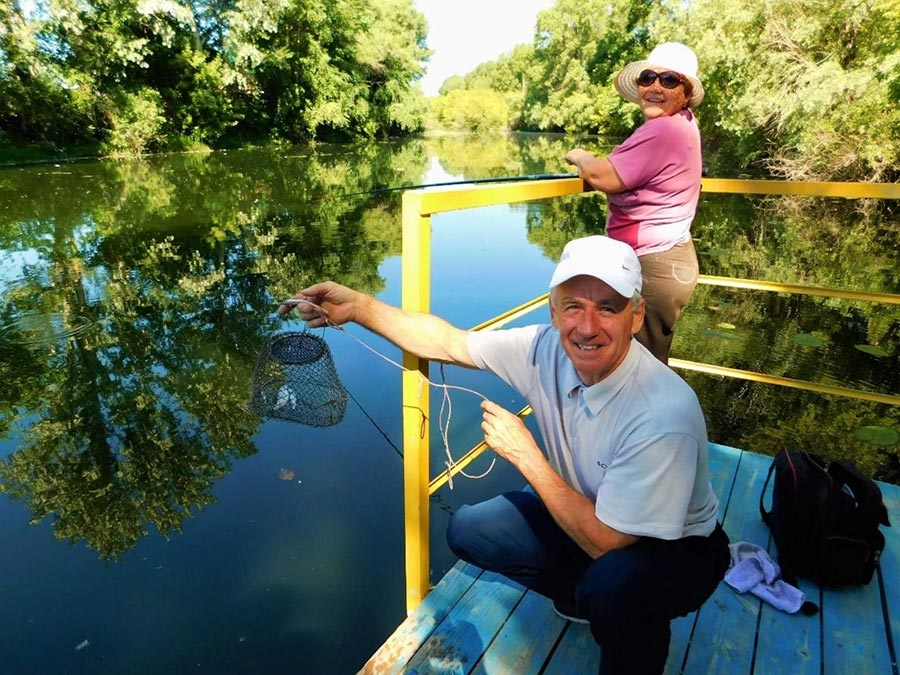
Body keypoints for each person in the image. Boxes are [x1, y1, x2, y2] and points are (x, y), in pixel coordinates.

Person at [281, 235, 729, 675]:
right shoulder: (542, 349)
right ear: (553, 312)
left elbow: (610, 542)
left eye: (608, 307)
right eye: (573, 306)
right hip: (596, 514)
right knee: (471, 529)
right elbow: (447, 342)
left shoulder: (661, 412)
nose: (587, 326)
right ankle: (584, 597)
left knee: (614, 587)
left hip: (676, 549)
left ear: (636, 317)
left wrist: (526, 456)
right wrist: (359, 307)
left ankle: (634, 639)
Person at [565, 42, 705, 364]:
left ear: (685, 91)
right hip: (671, 260)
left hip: (654, 265)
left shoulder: (663, 131)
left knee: (635, 369)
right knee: (647, 366)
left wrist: (580, 155)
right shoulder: (684, 123)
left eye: (669, 80)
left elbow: (601, 176)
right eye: (648, 78)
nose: (655, 87)